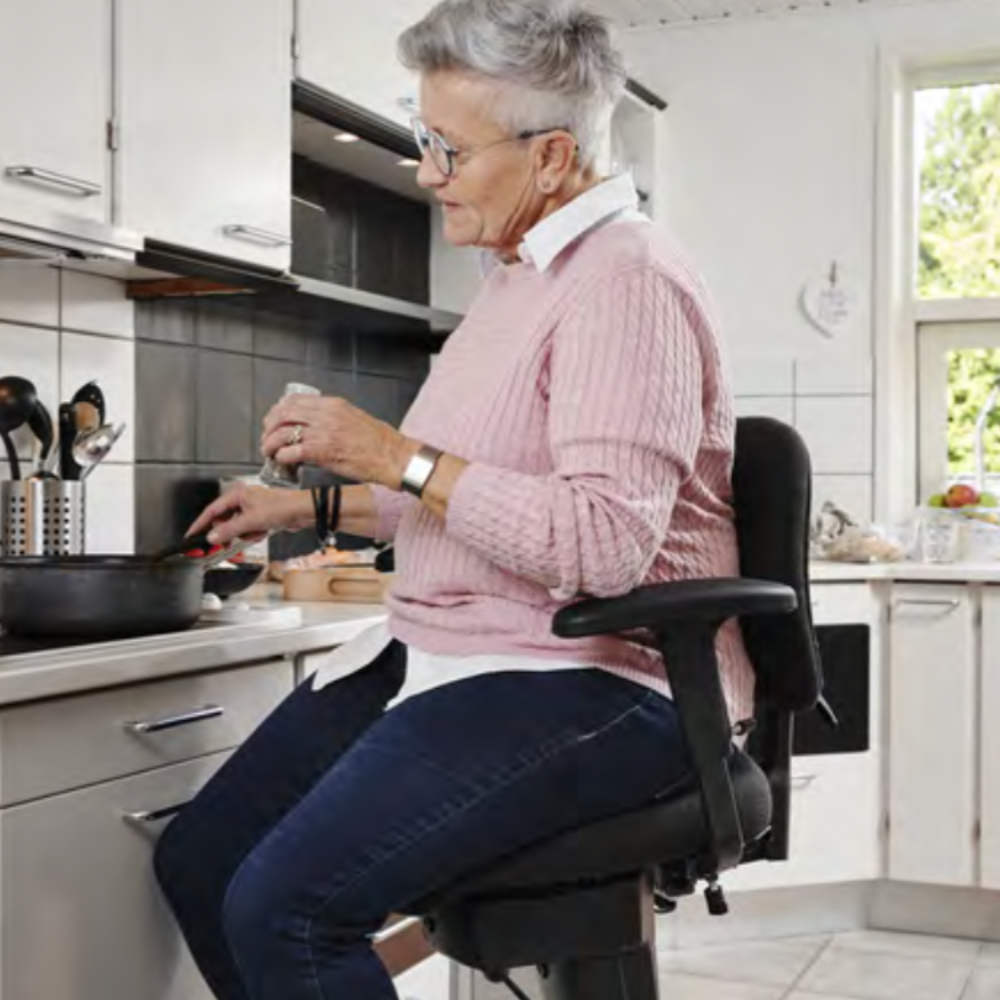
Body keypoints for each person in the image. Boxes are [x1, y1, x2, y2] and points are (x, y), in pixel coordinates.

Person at [152, 2, 754, 998]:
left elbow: (601, 545)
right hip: (453, 650)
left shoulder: (624, 280)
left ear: (552, 157)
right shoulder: (514, 280)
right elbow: (475, 505)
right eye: (420, 138)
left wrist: (394, 452)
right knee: (202, 863)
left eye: (446, 148)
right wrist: (307, 507)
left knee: (285, 910)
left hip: (599, 676)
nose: (426, 172)